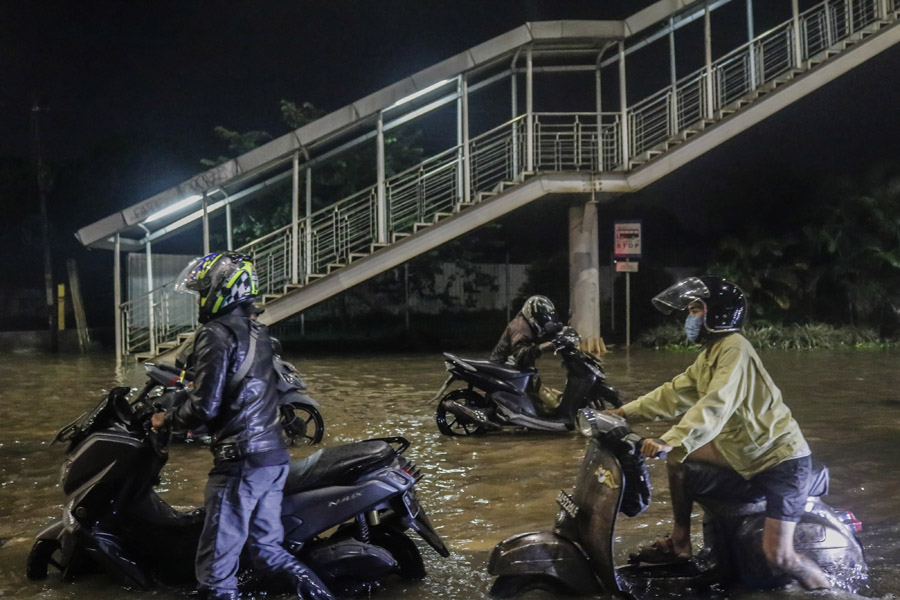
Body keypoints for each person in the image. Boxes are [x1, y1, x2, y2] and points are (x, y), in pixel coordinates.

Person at [605, 276, 830, 590]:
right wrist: (623, 413)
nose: (690, 318)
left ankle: (825, 590)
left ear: (718, 313)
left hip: (781, 460)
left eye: (696, 310)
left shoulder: (735, 348)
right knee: (680, 459)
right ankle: (680, 542)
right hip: (743, 451)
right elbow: (672, 393)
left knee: (779, 556)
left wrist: (669, 439)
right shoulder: (710, 354)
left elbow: (716, 403)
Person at [151, 251, 334, 600]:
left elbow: (204, 407)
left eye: (203, 291)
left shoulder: (214, 334)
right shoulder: (258, 332)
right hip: (272, 458)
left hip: (240, 463)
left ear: (222, 289)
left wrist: (166, 419)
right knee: (269, 553)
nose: (200, 300)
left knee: (216, 573)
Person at [490, 295, 563, 413]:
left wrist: (561, 330)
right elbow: (520, 355)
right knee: (534, 405)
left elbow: (547, 331)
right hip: (507, 367)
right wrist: (541, 348)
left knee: (538, 391)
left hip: (518, 367)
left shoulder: (529, 323)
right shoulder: (521, 327)